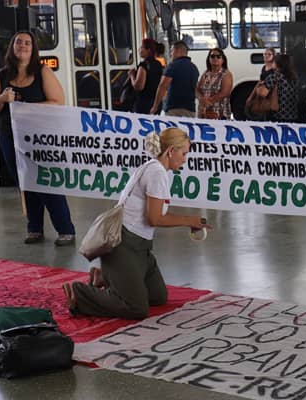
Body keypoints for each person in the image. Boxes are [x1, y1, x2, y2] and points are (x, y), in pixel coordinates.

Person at [64, 128, 211, 320]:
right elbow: (155, 219)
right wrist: (190, 221)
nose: (185, 160)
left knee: (158, 296)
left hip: (140, 246)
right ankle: (80, 294)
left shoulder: (154, 167)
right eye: (184, 154)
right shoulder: (157, 173)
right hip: (124, 243)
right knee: (136, 308)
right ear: (170, 151)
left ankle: (107, 277)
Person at [0, 30, 76, 246]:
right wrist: (2, 98)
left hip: (40, 138)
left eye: (27, 43)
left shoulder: (43, 71)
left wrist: (26, 108)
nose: (23, 46)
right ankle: (34, 229)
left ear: (33, 48)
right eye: (18, 42)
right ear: (12, 47)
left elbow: (58, 101)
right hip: (10, 137)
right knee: (25, 184)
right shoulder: (1, 75)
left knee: (47, 181)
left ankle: (66, 230)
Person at [154, 41, 200, 117]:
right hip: (190, 109)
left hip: (174, 109)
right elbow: (195, 88)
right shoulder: (194, 68)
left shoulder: (173, 66)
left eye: (172, 51)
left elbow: (163, 86)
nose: (170, 54)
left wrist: (155, 106)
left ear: (178, 51)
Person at [253, 53, 298, 123]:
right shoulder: (293, 78)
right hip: (291, 114)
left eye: (274, 61)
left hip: (276, 115)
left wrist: (259, 86)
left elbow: (263, 93)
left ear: (278, 64)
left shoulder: (274, 77)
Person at [129, 38, 164, 115]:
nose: (139, 50)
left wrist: (132, 75)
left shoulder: (144, 65)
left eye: (142, 47)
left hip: (144, 104)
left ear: (148, 50)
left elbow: (138, 86)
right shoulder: (158, 64)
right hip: (156, 103)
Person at [197, 47, 233, 119]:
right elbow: (197, 89)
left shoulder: (226, 74)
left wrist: (208, 102)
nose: (215, 58)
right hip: (204, 113)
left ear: (223, 60)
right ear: (209, 59)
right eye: (212, 56)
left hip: (220, 114)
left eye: (218, 56)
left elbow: (224, 93)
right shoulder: (206, 73)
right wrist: (201, 98)